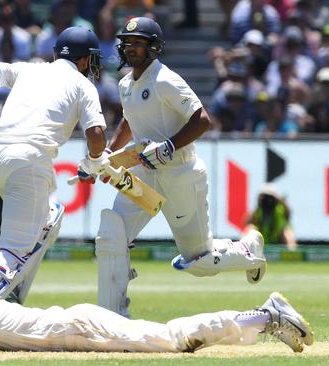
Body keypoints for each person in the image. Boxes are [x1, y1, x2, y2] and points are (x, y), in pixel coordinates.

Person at [91, 17, 266, 318]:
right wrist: (109, 152)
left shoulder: (165, 80)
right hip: (144, 174)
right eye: (127, 43)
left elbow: (202, 120)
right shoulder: (124, 84)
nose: (130, 48)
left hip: (180, 174)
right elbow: (130, 120)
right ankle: (114, 315)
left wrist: (168, 146)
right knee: (112, 234)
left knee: (198, 261)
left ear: (153, 47)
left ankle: (249, 251)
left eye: (138, 43)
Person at [0, 267, 314, 353]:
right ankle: (262, 317)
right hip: (73, 324)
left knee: (171, 340)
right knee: (167, 340)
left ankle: (265, 314)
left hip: (76, 326)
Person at [0, 26, 109, 305]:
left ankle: (12, 293)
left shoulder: (31, 69)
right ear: (83, 60)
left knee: (50, 217)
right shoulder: (83, 85)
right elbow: (96, 135)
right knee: (13, 248)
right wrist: (94, 163)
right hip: (27, 162)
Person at [244, 185, 297, 251]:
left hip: (277, 238)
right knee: (249, 228)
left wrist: (281, 201)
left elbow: (288, 214)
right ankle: (244, 252)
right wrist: (258, 204)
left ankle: (292, 253)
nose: (268, 200)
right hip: (262, 239)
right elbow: (246, 222)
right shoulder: (259, 210)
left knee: (287, 231)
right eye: (266, 197)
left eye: (271, 197)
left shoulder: (279, 209)